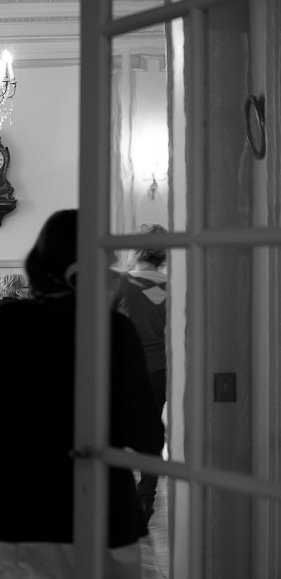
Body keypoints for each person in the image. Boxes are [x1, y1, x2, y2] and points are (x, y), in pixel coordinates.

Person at [0, 210, 164, 579]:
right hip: (102, 517)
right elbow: (148, 439)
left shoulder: (8, 323)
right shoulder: (114, 331)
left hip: (17, 515)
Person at [113, 223, 168, 525]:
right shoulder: (170, 287)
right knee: (150, 438)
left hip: (122, 371)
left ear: (136, 249)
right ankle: (145, 498)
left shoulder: (121, 283)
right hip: (158, 371)